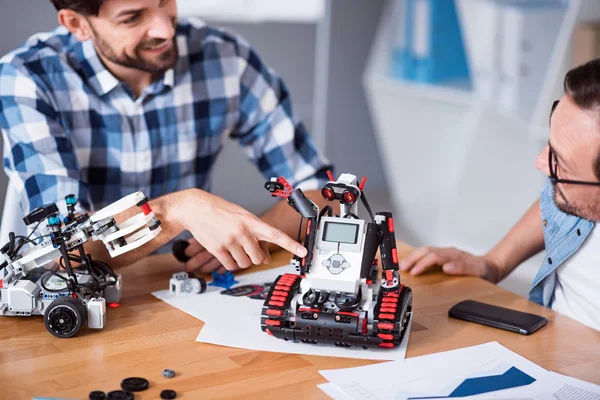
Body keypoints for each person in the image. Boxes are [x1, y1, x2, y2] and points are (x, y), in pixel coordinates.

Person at [0, 0, 334, 273]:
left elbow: (322, 191)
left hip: (186, 281)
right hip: (87, 296)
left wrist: (253, 237)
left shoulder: (226, 57)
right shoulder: (27, 79)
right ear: (77, 24)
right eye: (133, 17)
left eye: (165, 2)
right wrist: (175, 212)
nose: (166, 29)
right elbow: (62, 252)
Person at [399, 60, 600, 331]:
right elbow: (559, 200)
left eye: (560, 163)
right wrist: (493, 262)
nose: (541, 162)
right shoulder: (578, 192)